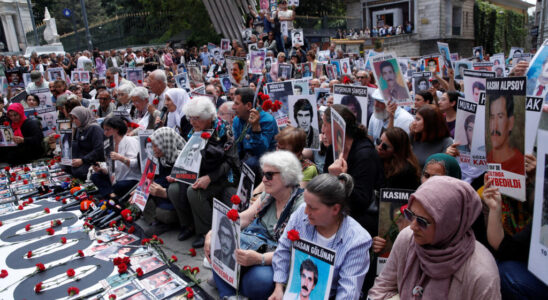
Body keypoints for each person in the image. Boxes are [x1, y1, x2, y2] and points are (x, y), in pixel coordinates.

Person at [368, 176, 501, 300]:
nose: (412, 226)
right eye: (410, 214)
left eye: (422, 221)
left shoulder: (481, 274)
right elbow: (381, 289)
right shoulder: (407, 238)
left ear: (449, 224)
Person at [204, 150, 304, 299]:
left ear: (287, 176)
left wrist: (259, 259)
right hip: (253, 241)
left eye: (269, 175)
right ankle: (229, 291)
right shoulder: (269, 194)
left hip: (275, 252)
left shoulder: (301, 206)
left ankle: (228, 281)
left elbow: (294, 252)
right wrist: (212, 231)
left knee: (259, 282)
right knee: (218, 246)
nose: (263, 180)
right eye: (263, 174)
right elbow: (244, 218)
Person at [270, 173, 372, 299]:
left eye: (312, 208)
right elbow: (283, 249)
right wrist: (279, 287)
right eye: (306, 204)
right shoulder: (301, 212)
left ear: (335, 209)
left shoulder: (357, 240)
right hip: (295, 290)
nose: (306, 211)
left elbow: (348, 293)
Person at [168, 96, 238, 247]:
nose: (193, 122)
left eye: (197, 119)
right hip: (198, 171)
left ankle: (206, 232)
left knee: (194, 193)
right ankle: (188, 225)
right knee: (173, 189)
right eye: (191, 118)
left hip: (222, 176)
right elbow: (188, 155)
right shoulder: (194, 130)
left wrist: (209, 178)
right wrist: (178, 173)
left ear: (209, 117)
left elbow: (230, 161)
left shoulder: (224, 131)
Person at [144, 127, 185, 236]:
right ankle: (157, 220)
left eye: (156, 145)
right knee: (141, 196)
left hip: (177, 200)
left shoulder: (183, 159)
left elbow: (183, 191)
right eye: (152, 146)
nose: (153, 149)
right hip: (164, 195)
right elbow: (162, 178)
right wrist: (145, 187)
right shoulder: (163, 157)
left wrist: (165, 193)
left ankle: (164, 221)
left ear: (166, 143)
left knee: (165, 213)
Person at [232, 87, 278, 179]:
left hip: (265, 157)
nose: (233, 107)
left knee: (251, 163)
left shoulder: (267, 120)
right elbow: (238, 148)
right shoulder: (237, 119)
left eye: (237, 103)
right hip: (246, 155)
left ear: (248, 105)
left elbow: (261, 151)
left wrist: (256, 127)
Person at [91, 117, 140, 200]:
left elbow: (137, 164)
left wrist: (121, 158)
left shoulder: (130, 141)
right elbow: (112, 169)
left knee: (120, 185)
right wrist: (103, 169)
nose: (105, 133)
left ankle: (109, 194)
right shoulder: (110, 144)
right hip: (117, 179)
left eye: (108, 130)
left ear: (116, 129)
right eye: (104, 130)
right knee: (95, 176)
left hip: (131, 179)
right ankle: (111, 195)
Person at [486, 94, 524, 175]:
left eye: (500, 117)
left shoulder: (521, 164)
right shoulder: (486, 158)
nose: (494, 127)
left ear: (511, 122)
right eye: (492, 117)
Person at [68, 107, 105, 180]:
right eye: (73, 118)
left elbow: (99, 150)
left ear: (83, 116)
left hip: (93, 160)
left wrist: (83, 160)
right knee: (66, 166)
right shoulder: (81, 128)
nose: (74, 121)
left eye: (76, 118)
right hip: (83, 157)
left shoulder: (94, 129)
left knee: (79, 172)